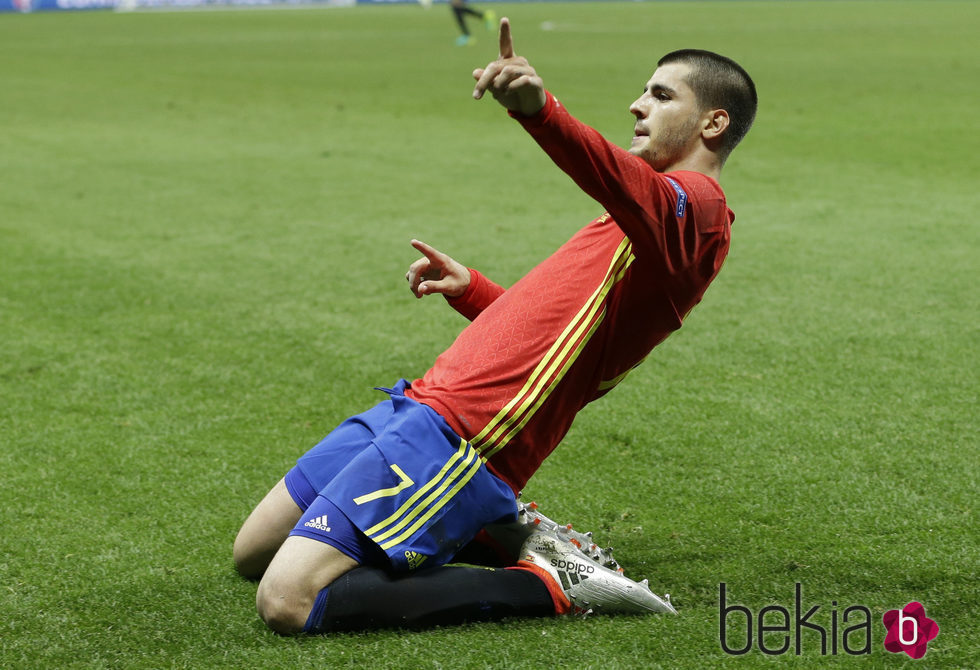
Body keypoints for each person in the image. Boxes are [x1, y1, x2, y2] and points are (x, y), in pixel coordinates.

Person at [233, 17, 757, 634]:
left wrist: (540, 111)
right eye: (645, 91)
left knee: (287, 602)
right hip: (418, 406)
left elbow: (618, 175)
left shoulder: (698, 213)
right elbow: (557, 336)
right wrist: (473, 290)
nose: (637, 105)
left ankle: (546, 584)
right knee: (254, 553)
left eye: (662, 95)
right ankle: (502, 530)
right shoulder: (647, 219)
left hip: (467, 435)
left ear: (713, 123)